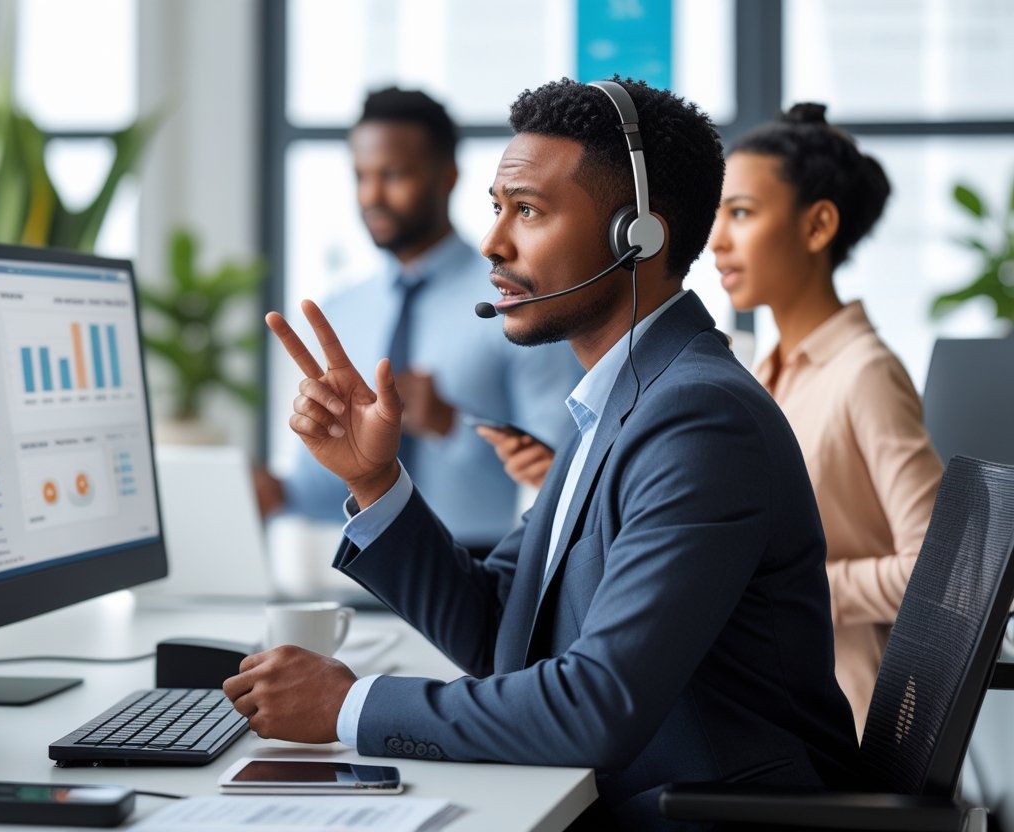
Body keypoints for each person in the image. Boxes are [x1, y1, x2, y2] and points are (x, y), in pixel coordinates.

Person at [225, 77, 860, 829]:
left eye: (527, 211)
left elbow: (597, 707)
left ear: (639, 237)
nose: (493, 243)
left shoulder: (698, 419)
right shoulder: (620, 400)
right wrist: (374, 480)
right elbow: (505, 629)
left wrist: (349, 705)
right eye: (498, 208)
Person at [255, 87, 581, 557]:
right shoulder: (340, 312)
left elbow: (565, 467)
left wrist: (451, 423)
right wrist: (278, 493)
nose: (372, 195)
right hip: (362, 569)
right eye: (361, 176)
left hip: (487, 566)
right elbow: (337, 490)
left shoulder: (515, 298)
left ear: (446, 176)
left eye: (394, 175)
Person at [708, 103, 944, 736]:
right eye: (717, 214)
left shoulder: (864, 373)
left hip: (843, 718)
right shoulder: (758, 373)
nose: (717, 242)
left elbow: (937, 571)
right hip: (768, 697)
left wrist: (796, 588)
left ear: (817, 226)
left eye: (741, 213)